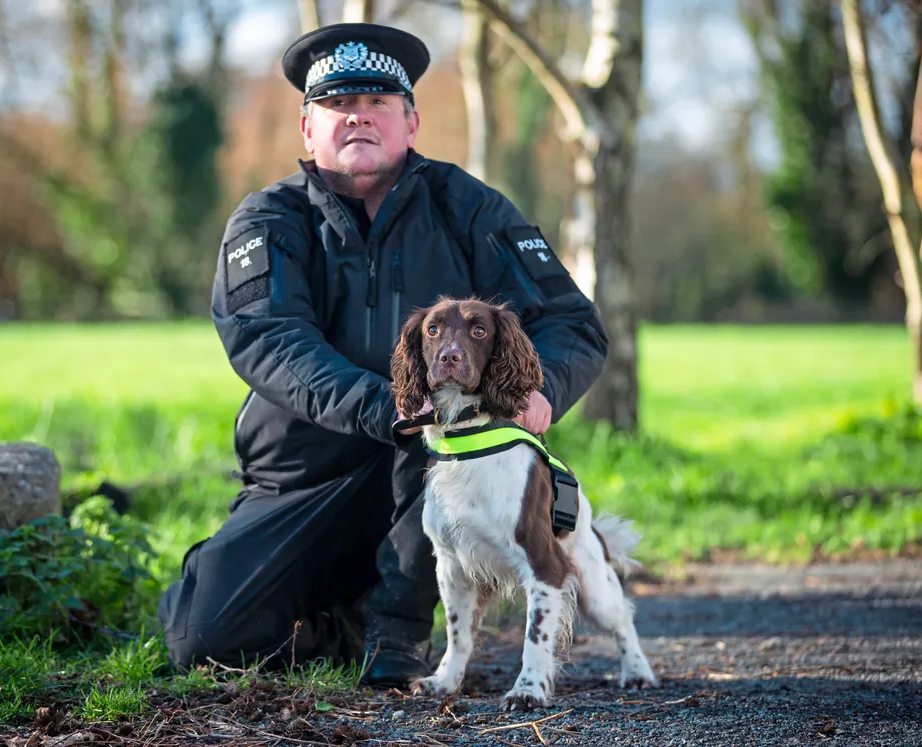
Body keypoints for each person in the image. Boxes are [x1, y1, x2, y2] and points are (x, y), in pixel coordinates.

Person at [157, 21, 609, 688]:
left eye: (378, 106)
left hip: (441, 465)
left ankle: (397, 634)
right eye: (339, 107)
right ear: (309, 130)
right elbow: (270, 341)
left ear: (412, 122)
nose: (358, 119)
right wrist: (387, 405)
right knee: (205, 640)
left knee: (426, 452)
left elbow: (573, 323)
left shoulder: (470, 208)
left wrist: (542, 391)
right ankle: (344, 620)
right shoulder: (268, 220)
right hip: (301, 481)